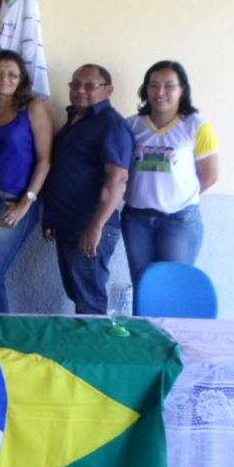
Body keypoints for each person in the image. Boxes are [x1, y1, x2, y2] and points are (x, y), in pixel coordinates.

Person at [42, 64, 134, 314]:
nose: (80, 90)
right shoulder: (75, 121)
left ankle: (93, 352)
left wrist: (96, 227)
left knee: (90, 300)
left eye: (90, 85)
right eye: (75, 84)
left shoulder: (110, 124)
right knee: (78, 293)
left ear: (108, 90)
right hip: (68, 224)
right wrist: (52, 218)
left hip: (92, 226)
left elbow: (117, 180)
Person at [122, 60, 219, 290]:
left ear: (182, 89)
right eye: (153, 85)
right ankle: (142, 328)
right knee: (143, 288)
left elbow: (210, 176)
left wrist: (176, 197)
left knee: (172, 288)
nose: (160, 92)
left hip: (179, 221)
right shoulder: (131, 125)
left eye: (169, 85)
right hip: (136, 220)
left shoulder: (196, 126)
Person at [0, 50, 53, 313]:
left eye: (12, 74)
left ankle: (2, 335)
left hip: (13, 203)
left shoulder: (33, 108)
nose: (4, 78)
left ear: (21, 79)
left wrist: (26, 204)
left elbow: (45, 160)